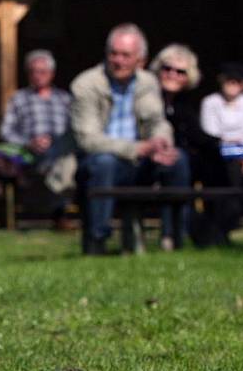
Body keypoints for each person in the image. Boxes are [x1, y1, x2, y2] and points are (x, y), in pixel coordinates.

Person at [72, 23, 190, 254]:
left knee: (177, 160)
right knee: (104, 162)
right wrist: (137, 148)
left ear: (141, 60)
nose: (118, 60)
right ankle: (98, 239)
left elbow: (157, 122)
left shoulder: (148, 83)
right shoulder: (85, 84)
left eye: (126, 55)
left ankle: (173, 237)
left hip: (140, 162)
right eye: (113, 53)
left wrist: (161, 142)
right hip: (99, 164)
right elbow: (87, 140)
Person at [149, 45, 228, 246]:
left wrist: (227, 146)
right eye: (167, 69)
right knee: (177, 163)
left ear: (188, 77)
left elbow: (199, 137)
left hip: (182, 164)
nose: (172, 75)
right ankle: (173, 234)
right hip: (150, 160)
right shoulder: (147, 99)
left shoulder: (185, 104)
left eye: (180, 71)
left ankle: (217, 229)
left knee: (216, 165)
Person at [0, 49, 74, 230]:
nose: (38, 76)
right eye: (33, 72)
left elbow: (75, 128)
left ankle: (59, 210)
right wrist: (28, 142)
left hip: (61, 148)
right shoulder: (19, 99)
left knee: (65, 156)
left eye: (42, 72)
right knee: (61, 162)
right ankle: (60, 214)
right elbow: (6, 131)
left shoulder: (65, 99)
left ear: (51, 74)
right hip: (30, 152)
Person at [200, 62, 243, 240]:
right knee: (229, 171)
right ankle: (221, 228)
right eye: (229, 80)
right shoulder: (210, 102)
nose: (232, 84)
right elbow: (212, 136)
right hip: (219, 157)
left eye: (237, 80)